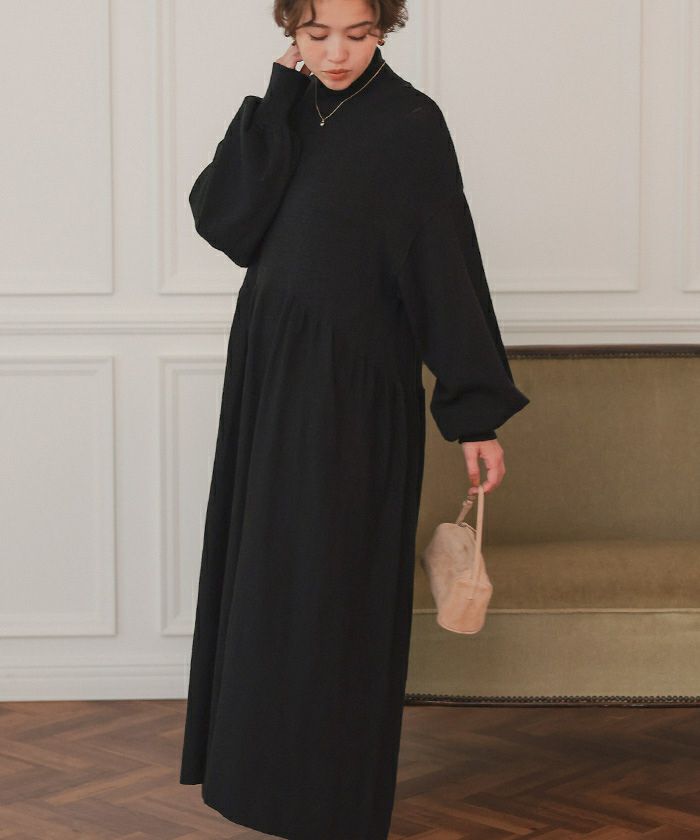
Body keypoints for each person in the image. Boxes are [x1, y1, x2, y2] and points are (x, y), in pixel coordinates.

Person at [179, 1, 530, 837]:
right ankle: (259, 791)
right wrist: (276, 99)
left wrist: (474, 414)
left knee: (335, 587)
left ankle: (331, 805)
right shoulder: (284, 112)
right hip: (269, 379)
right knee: (268, 575)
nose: (337, 53)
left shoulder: (410, 124)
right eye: (316, 35)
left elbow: (446, 266)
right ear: (290, 33)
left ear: (385, 28)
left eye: (358, 34)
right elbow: (225, 223)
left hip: (356, 390)